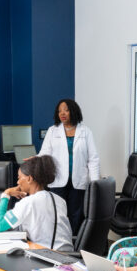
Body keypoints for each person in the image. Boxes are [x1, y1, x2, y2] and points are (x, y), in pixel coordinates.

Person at [37, 98, 100, 232]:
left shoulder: (85, 131)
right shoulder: (53, 131)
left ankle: (74, 245)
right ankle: (59, 243)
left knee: (76, 215)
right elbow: (45, 153)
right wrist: (35, 159)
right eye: (59, 111)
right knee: (57, 214)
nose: (62, 113)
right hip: (58, 180)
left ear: (73, 111)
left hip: (78, 181)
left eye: (66, 110)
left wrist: (95, 183)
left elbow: (93, 159)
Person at [0, 155, 73, 251]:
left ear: (29, 179)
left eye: (19, 177)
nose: (18, 182)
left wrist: (6, 194)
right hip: (68, 255)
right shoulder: (59, 200)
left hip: (50, 256)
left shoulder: (28, 202)